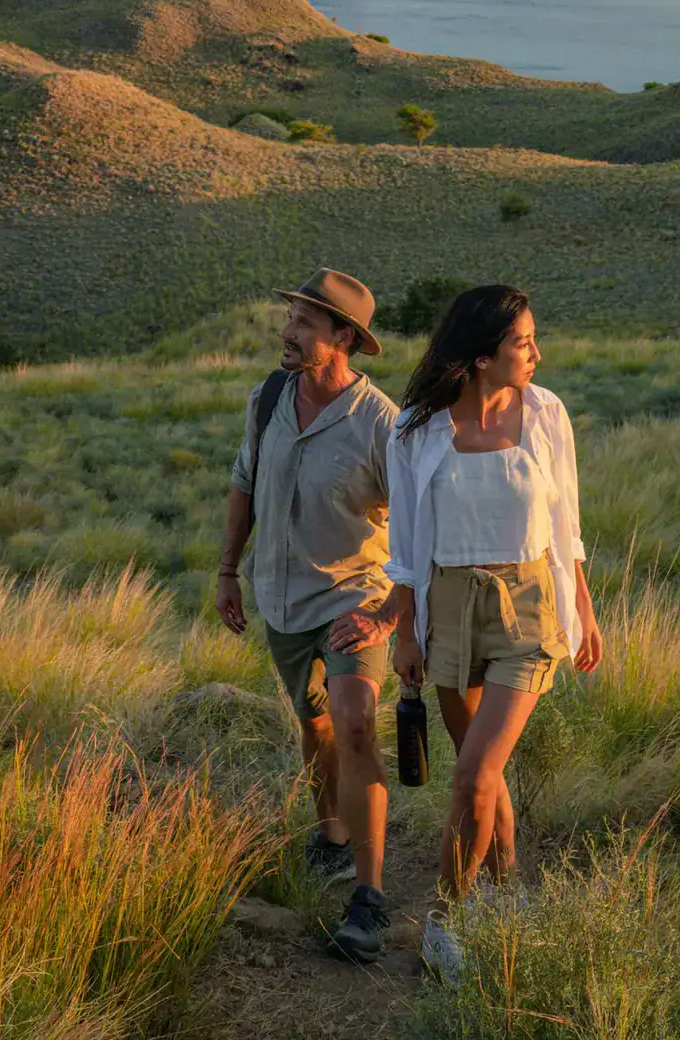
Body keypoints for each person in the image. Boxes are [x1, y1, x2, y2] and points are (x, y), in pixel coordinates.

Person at [386, 285, 603, 981]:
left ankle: (444, 921)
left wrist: (585, 609)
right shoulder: (416, 430)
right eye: (522, 343)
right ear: (481, 358)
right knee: (485, 775)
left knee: (473, 775)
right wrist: (405, 631)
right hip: (446, 602)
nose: (536, 354)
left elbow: (566, 521)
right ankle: (508, 897)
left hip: (528, 605)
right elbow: (407, 541)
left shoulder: (546, 414)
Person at [217, 268, 400, 963]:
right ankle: (331, 835)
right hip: (281, 595)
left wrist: (388, 614)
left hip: (356, 598)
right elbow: (243, 485)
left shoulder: (381, 423)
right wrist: (229, 570)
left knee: (355, 723)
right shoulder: (267, 398)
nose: (288, 333)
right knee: (315, 723)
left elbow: (414, 529)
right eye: (290, 318)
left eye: (306, 324)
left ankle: (370, 898)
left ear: (345, 338)